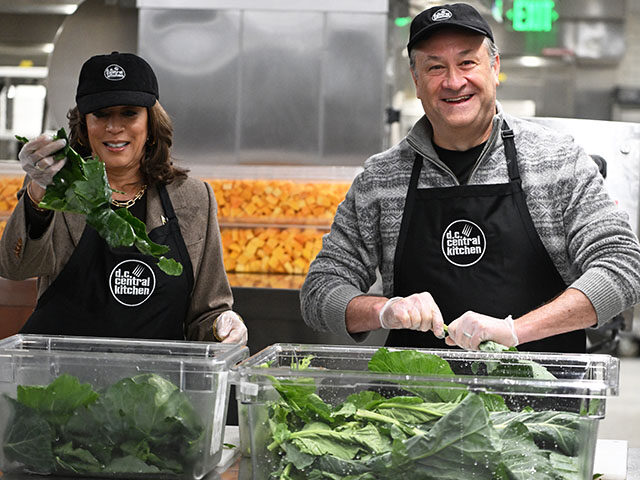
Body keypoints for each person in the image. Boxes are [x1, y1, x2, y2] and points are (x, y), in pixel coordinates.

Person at [300, 3, 640, 352]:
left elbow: (622, 266)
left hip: (541, 398)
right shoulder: (381, 179)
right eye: (435, 67)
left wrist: (516, 331)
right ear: (416, 82)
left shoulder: (557, 161)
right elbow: (320, 291)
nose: (453, 81)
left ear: (494, 68)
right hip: (417, 401)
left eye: (467, 62)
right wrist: (383, 310)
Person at [0, 51, 247, 344]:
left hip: (157, 384)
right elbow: (16, 268)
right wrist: (40, 193)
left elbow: (207, 313)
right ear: (84, 125)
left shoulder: (193, 199)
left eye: (129, 113)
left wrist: (224, 324)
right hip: (61, 381)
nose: (114, 127)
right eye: (101, 114)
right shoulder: (60, 188)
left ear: (150, 122)